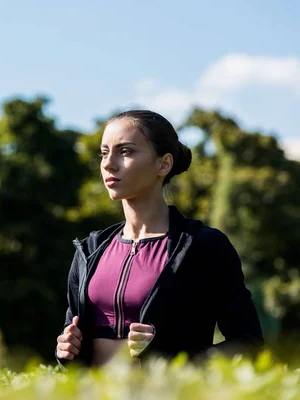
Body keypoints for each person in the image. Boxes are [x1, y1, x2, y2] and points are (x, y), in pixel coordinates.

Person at [55, 110, 264, 369]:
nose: (109, 164)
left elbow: (248, 342)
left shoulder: (204, 246)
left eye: (126, 151)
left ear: (163, 164)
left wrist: (173, 359)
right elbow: (71, 335)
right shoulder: (90, 250)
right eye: (104, 152)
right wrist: (66, 349)